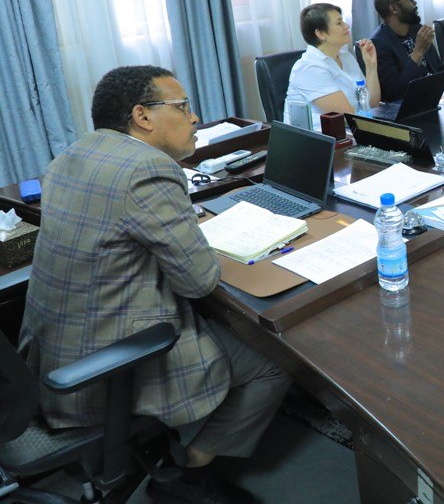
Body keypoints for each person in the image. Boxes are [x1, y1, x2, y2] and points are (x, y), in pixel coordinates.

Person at [19, 66, 291, 503]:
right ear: (142, 116)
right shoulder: (149, 169)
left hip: (52, 351)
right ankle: (190, 474)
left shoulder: (74, 154)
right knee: (273, 362)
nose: (194, 117)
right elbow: (199, 281)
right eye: (182, 107)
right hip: (108, 363)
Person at [285, 2, 380, 128]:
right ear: (320, 34)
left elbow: (372, 104)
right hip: (319, 136)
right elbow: (349, 117)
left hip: (350, 130)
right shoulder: (308, 68)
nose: (346, 26)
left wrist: (371, 66)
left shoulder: (346, 57)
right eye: (339, 23)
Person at [366, 0, 444, 102]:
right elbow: (394, 94)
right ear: (394, 8)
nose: (414, 3)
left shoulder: (417, 30)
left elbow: (440, 69)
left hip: (439, 96)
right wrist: (418, 53)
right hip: (412, 105)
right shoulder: (379, 44)